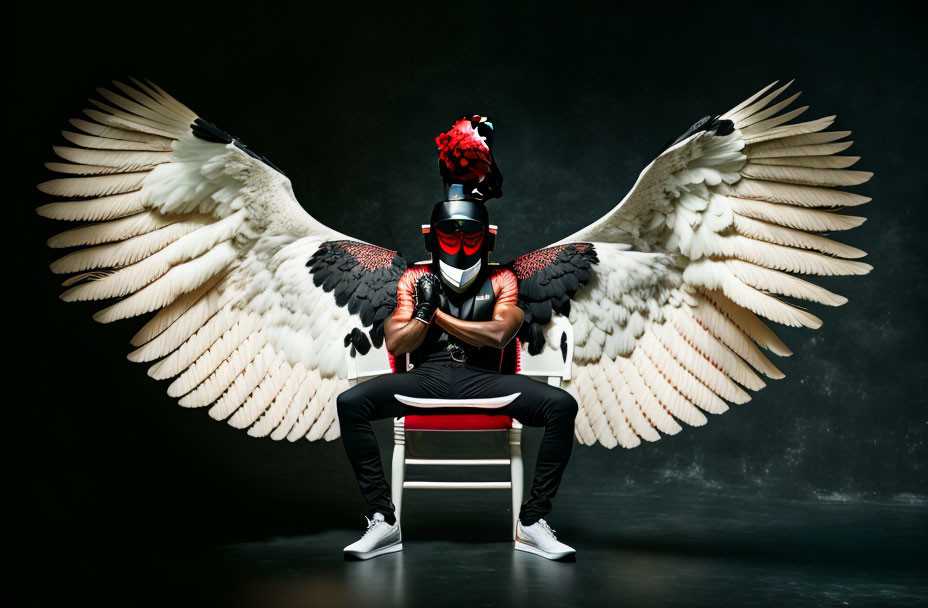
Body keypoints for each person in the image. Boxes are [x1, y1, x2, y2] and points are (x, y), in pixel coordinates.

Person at [337, 166, 579, 560]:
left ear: (488, 237)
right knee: (351, 404)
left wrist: (433, 312)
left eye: (471, 234)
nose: (461, 243)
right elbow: (397, 344)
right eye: (450, 233)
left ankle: (533, 522)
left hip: (484, 380)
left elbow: (500, 334)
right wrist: (419, 313)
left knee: (562, 406)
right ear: (431, 237)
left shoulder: (503, 280)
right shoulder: (413, 276)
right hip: (426, 379)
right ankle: (384, 519)